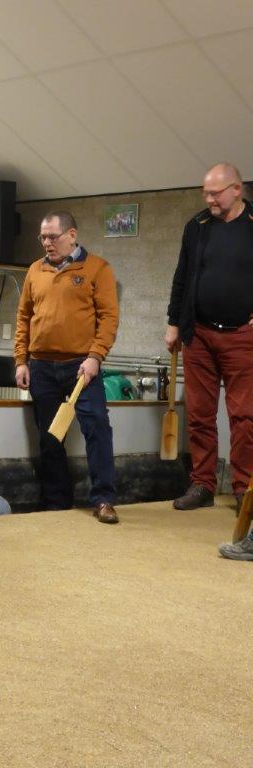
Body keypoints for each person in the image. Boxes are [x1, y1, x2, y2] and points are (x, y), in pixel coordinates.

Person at [14, 211, 120, 524]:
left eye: (53, 236)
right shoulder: (35, 270)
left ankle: (103, 499)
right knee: (50, 436)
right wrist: (21, 360)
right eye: (43, 237)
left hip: (81, 366)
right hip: (41, 366)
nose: (47, 242)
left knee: (97, 427)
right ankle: (56, 502)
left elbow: (109, 318)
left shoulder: (97, 268)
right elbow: (23, 317)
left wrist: (95, 357)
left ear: (71, 235)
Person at [165, 163, 253, 515]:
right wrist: (174, 323)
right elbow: (181, 276)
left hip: (242, 336)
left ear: (237, 190)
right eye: (206, 193)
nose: (209, 199)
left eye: (215, 193)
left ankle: (244, 488)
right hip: (198, 334)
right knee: (200, 415)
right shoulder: (197, 226)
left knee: (244, 417)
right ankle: (202, 484)